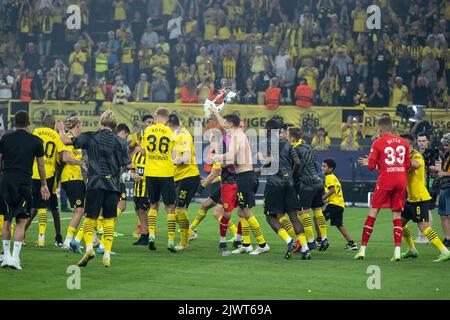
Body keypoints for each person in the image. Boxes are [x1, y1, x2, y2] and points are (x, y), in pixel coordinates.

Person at [56, 110, 131, 268]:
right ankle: (107, 256)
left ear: (101, 122)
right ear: (114, 125)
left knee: (89, 219)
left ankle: (89, 248)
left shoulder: (90, 136)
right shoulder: (121, 143)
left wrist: (61, 128)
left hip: (95, 184)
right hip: (113, 186)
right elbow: (129, 165)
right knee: (109, 221)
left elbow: (65, 141)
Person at [211, 108, 270, 255]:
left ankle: (262, 244)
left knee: (246, 212)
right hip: (246, 175)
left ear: (231, 124)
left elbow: (231, 157)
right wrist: (214, 111)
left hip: (244, 177)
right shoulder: (240, 135)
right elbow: (235, 158)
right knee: (241, 211)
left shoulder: (236, 136)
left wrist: (218, 157)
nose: (223, 126)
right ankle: (246, 244)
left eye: (225, 123)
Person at [356, 117, 411, 261]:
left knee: (373, 212)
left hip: (385, 180)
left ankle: (362, 250)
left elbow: (370, 166)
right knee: (397, 215)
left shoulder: (377, 142)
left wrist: (376, 163)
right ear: (391, 127)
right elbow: (408, 165)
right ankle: (397, 251)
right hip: (401, 180)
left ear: (380, 129)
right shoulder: (404, 143)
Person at [0, 110, 50, 270]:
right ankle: (15, 258)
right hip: (24, 183)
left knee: (6, 220)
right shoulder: (35, 141)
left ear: (14, 123)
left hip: (6, 182)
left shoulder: (5, 139)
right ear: (28, 123)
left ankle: (6, 257)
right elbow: (41, 165)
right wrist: (44, 184)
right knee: (21, 222)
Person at [260, 119, 310, 259]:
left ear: (270, 129)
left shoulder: (268, 142)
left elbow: (268, 161)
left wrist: (260, 165)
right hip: (288, 184)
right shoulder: (287, 143)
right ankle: (305, 250)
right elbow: (297, 162)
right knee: (294, 216)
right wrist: (291, 175)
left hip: (274, 184)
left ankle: (289, 241)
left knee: (270, 217)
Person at [398, 134, 450, 262]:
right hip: (411, 198)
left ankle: (445, 251)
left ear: (408, 145)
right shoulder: (404, 156)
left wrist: (400, 160)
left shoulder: (416, 155)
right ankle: (412, 250)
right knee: (399, 223)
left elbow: (416, 165)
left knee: (424, 227)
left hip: (420, 198)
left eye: (400, 144)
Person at [141, 107, 177, 252]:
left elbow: (143, 152)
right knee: (170, 206)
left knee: (153, 205)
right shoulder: (170, 132)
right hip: (166, 172)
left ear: (156, 116)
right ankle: (170, 240)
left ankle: (151, 236)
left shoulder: (147, 131)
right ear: (167, 118)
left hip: (151, 172)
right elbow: (173, 153)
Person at [25, 115, 64, 248]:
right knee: (51, 208)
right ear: (53, 125)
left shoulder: (36, 132)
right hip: (49, 175)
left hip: (34, 172)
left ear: (42, 123)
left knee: (34, 207)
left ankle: (23, 234)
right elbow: (61, 156)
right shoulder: (56, 135)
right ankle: (48, 238)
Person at [288, 127, 329, 251]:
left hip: (306, 184)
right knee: (317, 211)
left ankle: (311, 241)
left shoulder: (294, 150)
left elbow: (297, 166)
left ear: (293, 138)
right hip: (317, 181)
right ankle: (324, 238)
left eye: (289, 136)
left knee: (303, 212)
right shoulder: (309, 147)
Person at [167, 114, 200, 251]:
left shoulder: (183, 135)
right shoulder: (175, 136)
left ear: (169, 124)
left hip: (188, 176)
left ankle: (184, 242)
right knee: (174, 211)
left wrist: (170, 162)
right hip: (178, 177)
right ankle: (190, 233)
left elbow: (185, 158)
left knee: (180, 209)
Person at [59, 116, 87, 253]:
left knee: (83, 210)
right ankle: (68, 242)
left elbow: (77, 158)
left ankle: (88, 239)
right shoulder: (68, 138)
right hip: (71, 177)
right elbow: (65, 157)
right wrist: (80, 163)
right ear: (77, 125)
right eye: (81, 124)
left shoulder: (76, 142)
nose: (82, 127)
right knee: (79, 210)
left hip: (77, 177)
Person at [321, 158, 357, 250]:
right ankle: (351, 243)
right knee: (339, 225)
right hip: (340, 205)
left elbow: (332, 190)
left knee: (318, 219)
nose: (322, 168)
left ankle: (320, 240)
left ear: (330, 168)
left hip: (334, 205)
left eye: (324, 166)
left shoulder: (328, 177)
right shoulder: (334, 177)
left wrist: (323, 198)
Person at [430, 133, 450, 247]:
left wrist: (443, 173)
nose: (444, 146)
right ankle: (448, 238)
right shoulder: (446, 155)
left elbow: (445, 172)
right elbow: (443, 171)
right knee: (443, 215)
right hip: (444, 187)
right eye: (444, 144)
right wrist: (437, 172)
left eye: (446, 144)